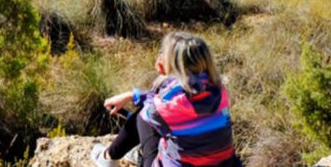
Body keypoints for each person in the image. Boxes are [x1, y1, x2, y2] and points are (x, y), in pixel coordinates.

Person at [91, 32, 240, 167]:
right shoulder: (220, 92)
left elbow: (151, 107)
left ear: (174, 63)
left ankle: (108, 157)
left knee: (143, 118)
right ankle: (135, 154)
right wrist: (133, 95)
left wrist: (159, 80)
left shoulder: (165, 106)